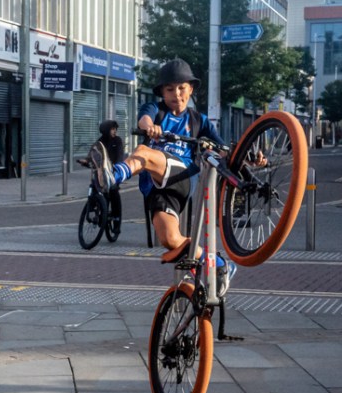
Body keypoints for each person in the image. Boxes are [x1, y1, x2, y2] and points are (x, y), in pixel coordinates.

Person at [90, 58, 237, 295]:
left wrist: (251, 158)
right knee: (170, 239)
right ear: (162, 92)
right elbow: (144, 119)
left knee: (144, 152)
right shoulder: (155, 110)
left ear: (190, 89)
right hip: (158, 189)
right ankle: (220, 264)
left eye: (181, 88)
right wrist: (150, 127)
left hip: (182, 176)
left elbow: (223, 150)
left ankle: (113, 176)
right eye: (170, 89)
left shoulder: (198, 120)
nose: (176, 94)